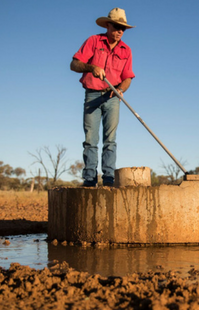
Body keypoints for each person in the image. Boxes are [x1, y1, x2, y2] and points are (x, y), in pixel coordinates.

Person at [70, 8, 135, 187]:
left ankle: (108, 178)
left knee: (110, 140)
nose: (120, 31)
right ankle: (90, 179)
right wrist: (91, 68)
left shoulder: (126, 50)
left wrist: (121, 89)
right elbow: (74, 64)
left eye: (124, 28)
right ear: (108, 25)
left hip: (112, 98)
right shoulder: (93, 41)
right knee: (90, 139)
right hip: (92, 95)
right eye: (117, 26)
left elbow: (128, 77)